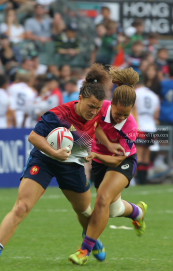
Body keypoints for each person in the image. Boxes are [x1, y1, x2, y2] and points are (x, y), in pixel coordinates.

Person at [0, 64, 125, 267]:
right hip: (45, 160)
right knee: (22, 207)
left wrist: (107, 145)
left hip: (73, 164)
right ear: (80, 98)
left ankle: (89, 237)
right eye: (90, 106)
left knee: (84, 211)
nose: (93, 111)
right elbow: (33, 136)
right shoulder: (59, 114)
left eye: (97, 108)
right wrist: (54, 152)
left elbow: (100, 126)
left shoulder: (101, 111)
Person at [69, 67, 148, 265]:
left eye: (126, 114)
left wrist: (97, 152)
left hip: (122, 162)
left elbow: (117, 160)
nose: (121, 118)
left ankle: (84, 251)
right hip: (99, 160)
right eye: (118, 113)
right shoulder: (101, 107)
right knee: (112, 210)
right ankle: (137, 212)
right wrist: (104, 145)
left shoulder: (130, 126)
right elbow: (95, 128)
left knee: (102, 199)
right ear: (111, 104)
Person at [134, 82, 160, 184]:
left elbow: (133, 109)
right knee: (146, 155)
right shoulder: (154, 96)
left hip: (140, 126)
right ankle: (144, 180)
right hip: (151, 127)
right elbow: (156, 115)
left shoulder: (136, 93)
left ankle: (140, 180)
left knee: (139, 154)